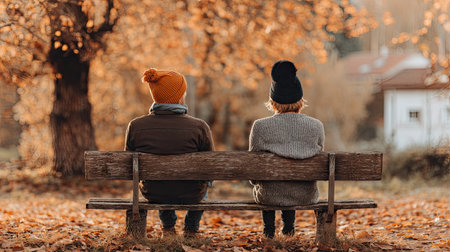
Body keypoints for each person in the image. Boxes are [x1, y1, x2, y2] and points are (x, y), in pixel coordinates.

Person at [124, 68, 214, 238]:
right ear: (180, 96)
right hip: (191, 193)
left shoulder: (136, 126)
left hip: (154, 192)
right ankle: (191, 228)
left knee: (163, 182)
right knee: (205, 182)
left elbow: (127, 163)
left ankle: (168, 228)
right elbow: (211, 167)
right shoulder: (199, 127)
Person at [249, 60, 325, 239]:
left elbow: (253, 171)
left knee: (269, 186)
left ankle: (269, 231)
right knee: (291, 184)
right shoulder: (316, 126)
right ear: (300, 99)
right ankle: (288, 229)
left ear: (272, 100)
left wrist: (257, 183)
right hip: (305, 195)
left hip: (269, 195)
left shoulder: (260, 126)